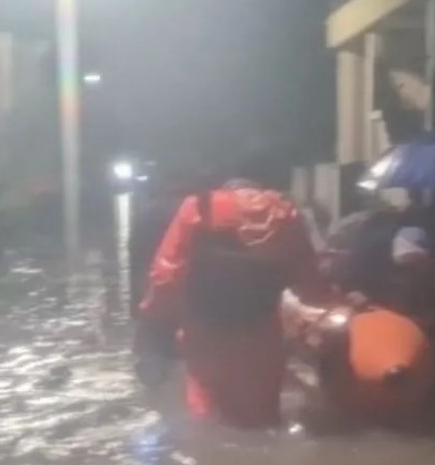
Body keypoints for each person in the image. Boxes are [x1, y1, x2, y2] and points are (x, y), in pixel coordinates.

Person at [139, 163, 328, 427]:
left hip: (206, 333)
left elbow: (166, 276)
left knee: (207, 415)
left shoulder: (198, 209)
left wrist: (154, 315)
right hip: (262, 333)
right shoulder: (286, 213)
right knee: (263, 418)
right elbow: (311, 285)